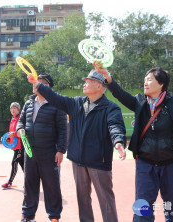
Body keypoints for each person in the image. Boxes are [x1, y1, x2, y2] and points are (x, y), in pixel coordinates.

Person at [93, 61, 173, 222]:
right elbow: (119, 93)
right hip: (145, 164)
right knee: (143, 207)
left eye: (149, 79)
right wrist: (107, 76)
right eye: (145, 79)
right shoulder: (139, 102)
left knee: (172, 207)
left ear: (161, 84)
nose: (145, 82)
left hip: (172, 164)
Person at [27, 70, 127, 222]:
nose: (84, 83)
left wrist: (118, 141)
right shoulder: (76, 103)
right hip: (78, 160)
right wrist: (36, 84)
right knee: (83, 200)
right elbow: (55, 98)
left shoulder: (111, 108)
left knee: (106, 200)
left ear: (100, 86)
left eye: (88, 81)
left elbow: (115, 126)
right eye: (85, 80)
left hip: (98, 161)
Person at [16, 74, 67, 222]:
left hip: (49, 152)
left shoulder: (57, 104)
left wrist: (61, 150)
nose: (35, 84)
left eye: (40, 83)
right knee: (29, 183)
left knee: (51, 186)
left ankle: (54, 216)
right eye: (34, 82)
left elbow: (63, 129)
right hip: (30, 151)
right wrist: (20, 130)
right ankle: (28, 215)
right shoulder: (28, 103)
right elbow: (21, 121)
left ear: (48, 87)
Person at [1, 102, 24, 189]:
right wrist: (6, 138)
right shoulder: (13, 119)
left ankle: (9, 182)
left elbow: (21, 132)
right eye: (11, 108)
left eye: (15, 108)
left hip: (20, 146)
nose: (13, 110)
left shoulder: (20, 118)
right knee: (23, 165)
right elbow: (11, 133)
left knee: (14, 162)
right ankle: (29, 182)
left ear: (18, 109)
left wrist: (12, 134)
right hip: (15, 146)